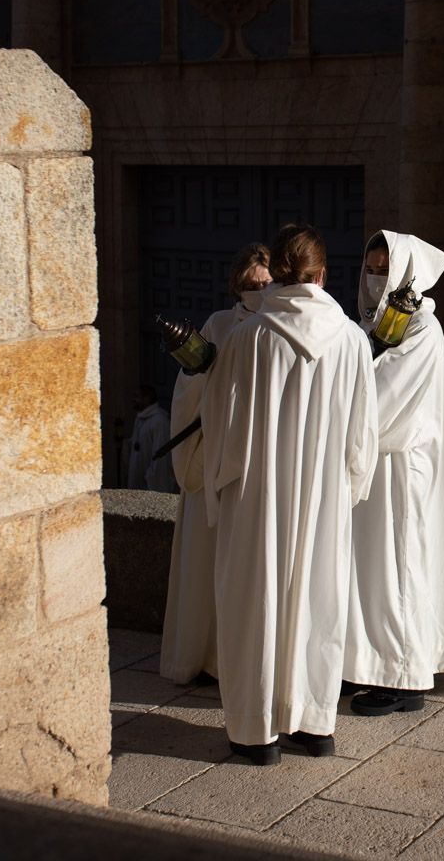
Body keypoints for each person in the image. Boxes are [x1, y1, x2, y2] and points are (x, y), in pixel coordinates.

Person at [199, 224, 379, 764]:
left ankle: (256, 735)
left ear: (277, 273)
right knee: (317, 601)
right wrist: (349, 485)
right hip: (322, 495)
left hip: (258, 496)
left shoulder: (248, 337)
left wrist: (221, 484)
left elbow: (222, 426)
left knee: (256, 600)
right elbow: (362, 431)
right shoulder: (350, 338)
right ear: (323, 275)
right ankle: (314, 725)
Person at [344, 231, 444, 715]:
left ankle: (405, 676)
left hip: (400, 465)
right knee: (370, 566)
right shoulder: (369, 325)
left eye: (386, 270)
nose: (376, 279)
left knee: (399, 564)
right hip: (371, 463)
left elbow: (387, 397)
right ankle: (367, 663)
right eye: (371, 269)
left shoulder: (423, 329)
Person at [160, 243, 271, 684]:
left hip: (255, 460)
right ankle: (203, 656)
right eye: (248, 285)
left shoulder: (281, 326)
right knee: (206, 563)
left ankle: (236, 659)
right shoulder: (220, 324)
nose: (256, 291)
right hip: (212, 456)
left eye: (263, 283)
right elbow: (193, 384)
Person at [125, 385, 176, 492]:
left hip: (150, 484)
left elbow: (161, 456)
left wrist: (151, 480)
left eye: (136, 396)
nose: (133, 400)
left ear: (147, 398)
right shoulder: (140, 419)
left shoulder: (159, 421)